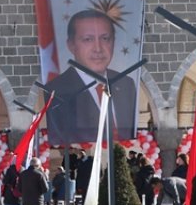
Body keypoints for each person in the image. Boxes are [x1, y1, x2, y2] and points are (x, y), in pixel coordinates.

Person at [45, 10, 138, 144]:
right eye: (88, 39)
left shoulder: (125, 84)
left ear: (113, 42)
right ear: (71, 45)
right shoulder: (56, 91)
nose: (98, 48)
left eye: (105, 38)